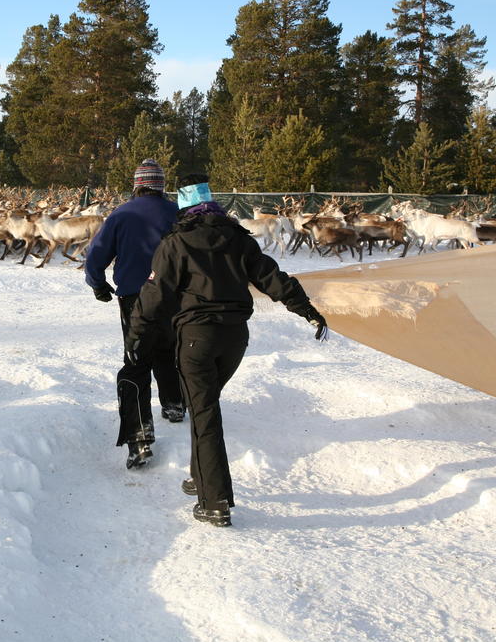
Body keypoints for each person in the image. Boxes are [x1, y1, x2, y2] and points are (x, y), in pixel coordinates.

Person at [125, 174, 327, 527]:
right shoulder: (238, 239)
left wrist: (136, 336)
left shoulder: (176, 243)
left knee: (205, 417)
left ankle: (214, 501)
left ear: (184, 207)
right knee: (205, 408)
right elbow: (272, 278)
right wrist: (307, 310)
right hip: (235, 339)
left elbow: (154, 295)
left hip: (195, 339)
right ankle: (200, 475)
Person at [84, 159, 185, 469]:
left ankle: (139, 440)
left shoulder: (121, 214)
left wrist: (98, 284)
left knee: (137, 359)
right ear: (161, 185)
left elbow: (96, 254)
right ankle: (174, 404)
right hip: (176, 296)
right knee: (169, 350)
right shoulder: (178, 214)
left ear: (137, 184)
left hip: (134, 298)